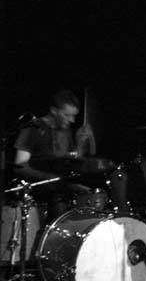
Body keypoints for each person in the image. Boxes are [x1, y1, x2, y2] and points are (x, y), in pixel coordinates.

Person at [13, 89, 95, 220]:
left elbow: (70, 162)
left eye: (74, 116)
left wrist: (82, 142)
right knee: (58, 198)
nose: (72, 120)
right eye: (67, 115)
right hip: (37, 189)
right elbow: (20, 165)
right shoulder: (33, 128)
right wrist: (49, 178)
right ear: (54, 111)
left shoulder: (66, 131)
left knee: (89, 194)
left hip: (59, 186)